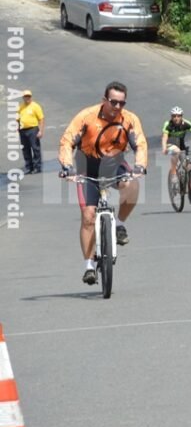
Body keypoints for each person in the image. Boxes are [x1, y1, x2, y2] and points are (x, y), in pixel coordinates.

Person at [58, 81, 148, 285]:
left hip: (114, 164)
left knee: (132, 185)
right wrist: (67, 167)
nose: (117, 107)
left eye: (121, 103)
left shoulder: (130, 119)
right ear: (104, 100)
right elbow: (67, 141)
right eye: (113, 102)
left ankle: (119, 225)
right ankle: (89, 266)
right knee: (88, 216)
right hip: (87, 168)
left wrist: (140, 166)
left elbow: (140, 143)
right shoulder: (86, 116)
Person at [161, 106, 191, 180]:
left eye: (178, 116)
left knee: (186, 164)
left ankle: (187, 182)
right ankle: (173, 173)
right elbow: (164, 137)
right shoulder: (168, 124)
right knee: (176, 151)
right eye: (174, 116)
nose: (176, 118)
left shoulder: (186, 123)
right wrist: (164, 148)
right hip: (170, 143)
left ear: (182, 116)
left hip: (181, 144)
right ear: (171, 117)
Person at [17, 89, 44, 174]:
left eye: (28, 96)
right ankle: (29, 167)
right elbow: (18, 119)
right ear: (23, 97)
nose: (27, 98)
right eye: (25, 96)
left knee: (35, 148)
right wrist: (17, 127)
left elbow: (41, 119)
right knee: (25, 149)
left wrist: (41, 131)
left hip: (33, 129)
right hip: (22, 130)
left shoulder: (35, 106)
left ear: (31, 97)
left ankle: (37, 167)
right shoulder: (20, 107)